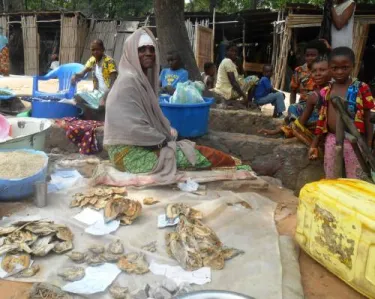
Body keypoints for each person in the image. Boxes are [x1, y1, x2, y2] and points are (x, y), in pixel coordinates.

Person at [103, 28, 248, 180]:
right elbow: (133, 129)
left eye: (152, 49)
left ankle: (234, 163)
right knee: (197, 156)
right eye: (142, 49)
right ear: (131, 53)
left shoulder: (137, 79)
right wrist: (163, 139)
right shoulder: (129, 81)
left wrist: (165, 133)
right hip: (128, 154)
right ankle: (237, 166)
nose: (148, 53)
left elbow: (144, 119)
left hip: (133, 146)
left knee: (185, 145)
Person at [309, 47, 374, 179]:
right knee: (331, 173)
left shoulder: (361, 88)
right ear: (329, 68)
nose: (339, 72)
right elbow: (322, 119)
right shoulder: (326, 91)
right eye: (334, 68)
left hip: (355, 140)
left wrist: (369, 142)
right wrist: (314, 145)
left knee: (355, 175)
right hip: (332, 139)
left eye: (345, 68)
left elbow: (367, 117)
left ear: (353, 66)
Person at [259, 56, 331, 146]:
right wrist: (276, 131)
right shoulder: (313, 96)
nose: (317, 74)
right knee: (296, 117)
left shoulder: (334, 91)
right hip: (318, 130)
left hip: (332, 133)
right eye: (314, 71)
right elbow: (301, 121)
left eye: (322, 70)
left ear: (331, 71)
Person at [71, 39, 118, 120]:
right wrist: (75, 76)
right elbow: (82, 73)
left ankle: (99, 119)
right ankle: (90, 119)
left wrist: (105, 97)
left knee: (100, 107)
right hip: (98, 93)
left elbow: (114, 83)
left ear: (103, 50)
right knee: (77, 97)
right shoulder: (93, 60)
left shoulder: (109, 61)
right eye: (93, 50)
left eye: (98, 49)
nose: (95, 52)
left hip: (109, 94)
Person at [290, 40, 328, 105]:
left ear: (321, 55)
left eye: (313, 55)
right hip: (303, 104)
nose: (309, 58)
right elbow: (293, 90)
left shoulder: (326, 70)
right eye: (307, 55)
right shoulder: (299, 70)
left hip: (321, 105)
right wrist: (291, 106)